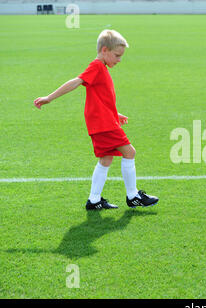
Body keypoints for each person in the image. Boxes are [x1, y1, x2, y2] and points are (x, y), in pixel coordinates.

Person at [34, 29, 159, 210]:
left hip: (103, 122)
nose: (119, 60)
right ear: (104, 50)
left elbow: (101, 100)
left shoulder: (102, 68)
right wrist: (49, 98)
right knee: (130, 153)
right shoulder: (97, 66)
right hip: (104, 125)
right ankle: (133, 196)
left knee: (106, 159)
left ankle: (94, 200)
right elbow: (76, 81)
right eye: (117, 55)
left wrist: (116, 114)